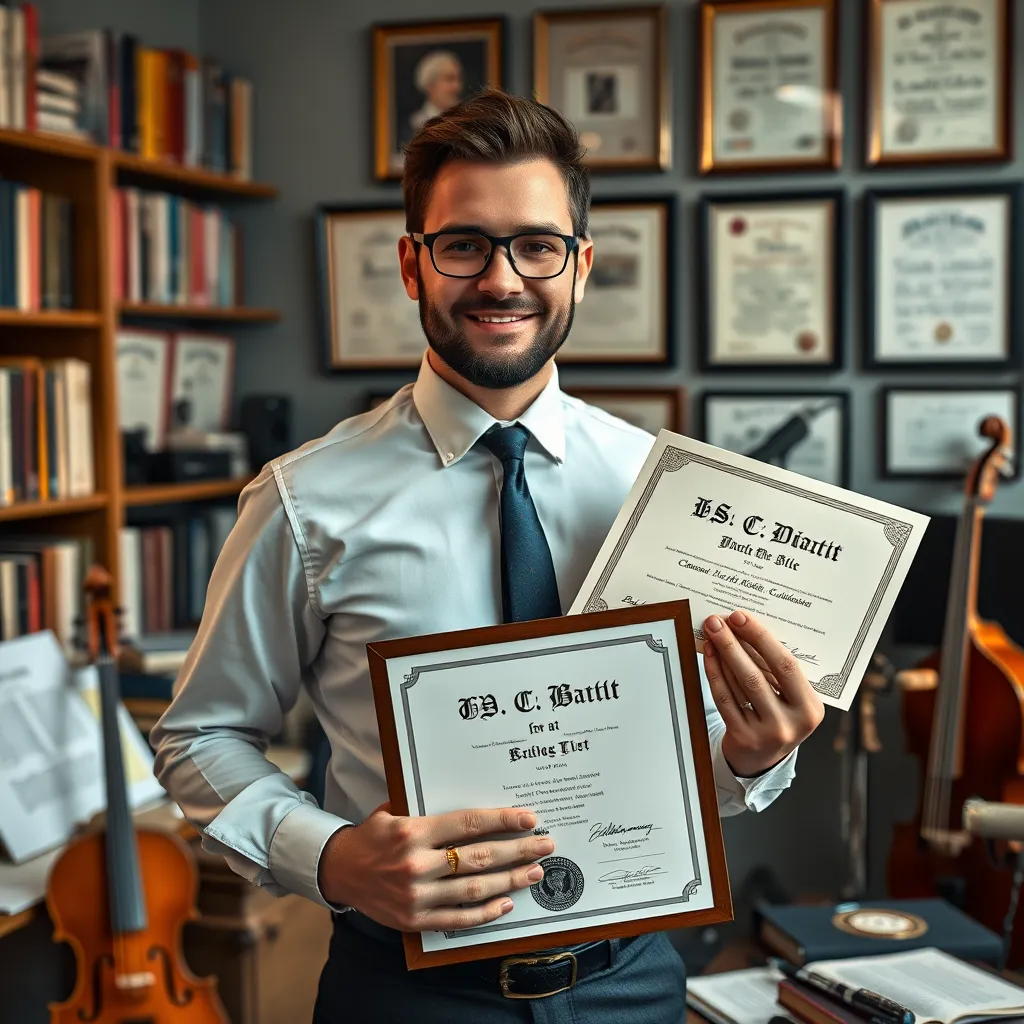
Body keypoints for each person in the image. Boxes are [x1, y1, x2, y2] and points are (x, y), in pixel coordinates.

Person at [151, 88, 825, 1023]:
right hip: (406, 992)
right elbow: (198, 736)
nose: (502, 278)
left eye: (537, 245)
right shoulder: (304, 499)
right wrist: (334, 857)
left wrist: (752, 758)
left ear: (581, 266)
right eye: (463, 243)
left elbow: (683, 767)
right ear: (413, 265)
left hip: (633, 983)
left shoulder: (660, 488)